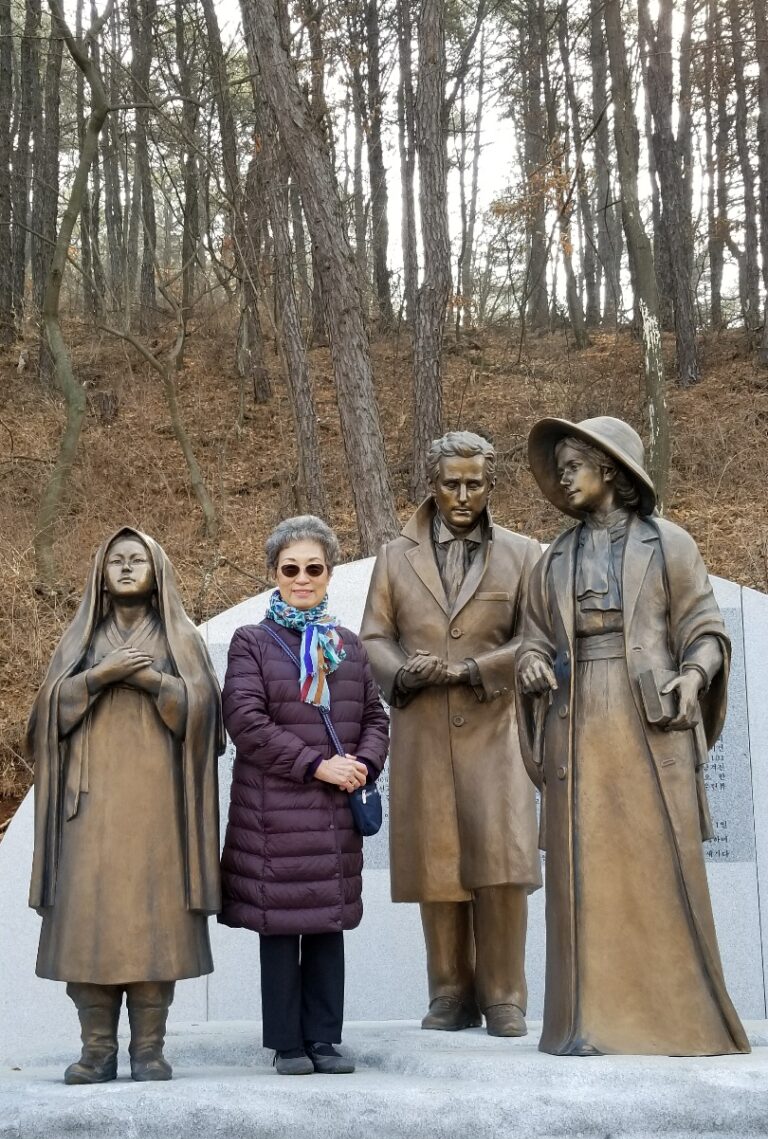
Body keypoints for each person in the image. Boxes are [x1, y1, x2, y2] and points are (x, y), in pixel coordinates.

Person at [516, 415, 750, 1057]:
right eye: (559, 469)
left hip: (648, 717)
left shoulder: (669, 544)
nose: (563, 480)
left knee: (662, 862)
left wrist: (695, 676)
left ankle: (687, 1019)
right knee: (582, 870)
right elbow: (534, 639)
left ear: (610, 470)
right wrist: (532, 662)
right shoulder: (553, 558)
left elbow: (705, 626)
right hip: (576, 717)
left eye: (573, 467)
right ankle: (584, 1023)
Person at [360, 431, 541, 1038]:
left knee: (502, 861)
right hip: (424, 727)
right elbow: (373, 638)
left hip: (498, 729)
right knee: (438, 862)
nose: (463, 495)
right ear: (431, 485)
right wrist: (400, 673)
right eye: (451, 483)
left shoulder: (523, 554)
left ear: (491, 485)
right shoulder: (394, 556)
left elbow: (539, 638)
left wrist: (474, 670)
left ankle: (505, 995)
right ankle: (449, 991)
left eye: (475, 483)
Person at [28, 528, 224, 1084]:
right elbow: (41, 722)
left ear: (158, 570)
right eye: (117, 559)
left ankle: (149, 1048)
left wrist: (150, 680)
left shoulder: (179, 636)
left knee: (154, 922)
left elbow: (208, 719)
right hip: (86, 810)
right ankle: (96, 1049)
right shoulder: (82, 640)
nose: (128, 566)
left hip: (160, 807)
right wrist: (98, 676)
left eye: (138, 558)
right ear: (100, 573)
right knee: (88, 921)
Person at [219, 515, 389, 1076]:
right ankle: (287, 1044)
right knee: (280, 926)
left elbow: (373, 717)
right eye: (290, 568)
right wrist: (319, 766)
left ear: (329, 574)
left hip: (334, 810)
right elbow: (246, 722)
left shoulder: (347, 646)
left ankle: (324, 1039)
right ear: (274, 573)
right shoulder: (251, 643)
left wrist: (362, 764)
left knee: (326, 924)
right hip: (276, 812)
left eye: (313, 568)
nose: (302, 578)